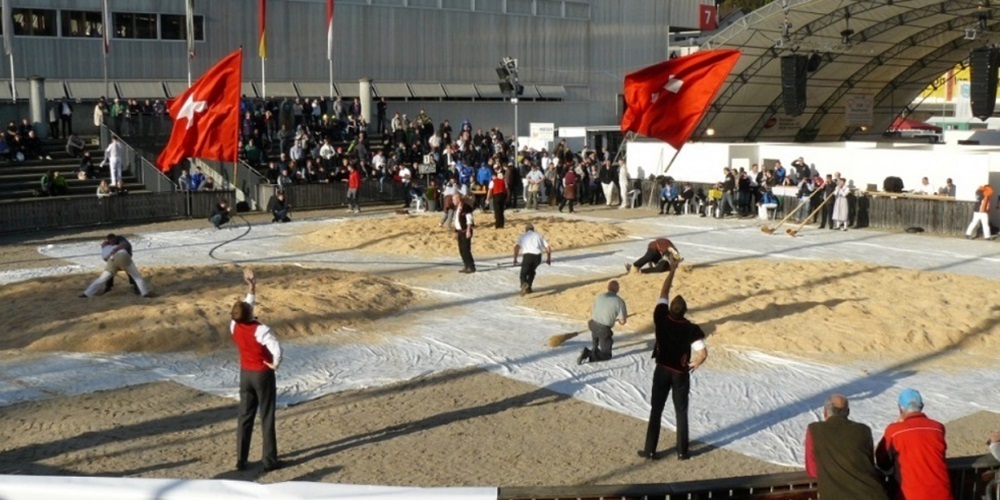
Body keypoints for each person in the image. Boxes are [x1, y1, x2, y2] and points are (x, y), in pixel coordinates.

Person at [639, 253, 707, 460]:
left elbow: (664, 291)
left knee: (656, 410)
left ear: (670, 309)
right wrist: (696, 363)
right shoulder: (690, 328)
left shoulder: (661, 317)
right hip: (680, 373)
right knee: (681, 412)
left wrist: (672, 269)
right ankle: (682, 452)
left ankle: (650, 450)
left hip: (662, 369)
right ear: (685, 311)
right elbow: (702, 352)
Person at [230, 267, 283, 472]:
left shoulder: (235, 326)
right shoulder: (261, 330)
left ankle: (241, 459)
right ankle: (269, 460)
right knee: (267, 415)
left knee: (245, 415)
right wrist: (275, 364)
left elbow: (246, 307)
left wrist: (251, 288)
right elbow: (276, 348)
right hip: (262, 373)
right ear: (249, 314)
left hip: (246, 374)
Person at [804, 394, 889, 500]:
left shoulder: (814, 430)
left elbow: (812, 470)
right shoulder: (864, 430)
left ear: (825, 412)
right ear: (847, 412)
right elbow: (869, 463)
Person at [875, 388, 951, 500]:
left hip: (909, 495)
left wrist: (897, 423)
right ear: (922, 407)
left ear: (900, 408)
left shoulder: (895, 431)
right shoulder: (938, 428)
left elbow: (882, 462)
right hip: (942, 494)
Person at [79, 233, 151, 298]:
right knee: (137, 277)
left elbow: (107, 257)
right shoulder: (109, 245)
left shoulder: (118, 241)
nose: (112, 242)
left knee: (102, 278)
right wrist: (113, 252)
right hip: (121, 257)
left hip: (116, 258)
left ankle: (87, 293)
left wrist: (113, 251)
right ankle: (144, 293)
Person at [578, 280, 628, 365]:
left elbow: (593, 311)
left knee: (596, 333)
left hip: (592, 324)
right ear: (617, 289)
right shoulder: (620, 301)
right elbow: (622, 321)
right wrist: (620, 320)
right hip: (603, 329)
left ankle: (594, 349)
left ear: (608, 288)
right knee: (607, 355)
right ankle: (588, 353)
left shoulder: (599, 296)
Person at [512, 223, 552, 296]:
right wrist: (548, 258)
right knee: (532, 271)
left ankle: (524, 284)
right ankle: (528, 288)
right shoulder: (539, 235)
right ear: (533, 229)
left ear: (526, 230)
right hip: (537, 257)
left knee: (523, 273)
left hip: (527, 256)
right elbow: (548, 247)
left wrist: (515, 259)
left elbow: (516, 247)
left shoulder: (523, 236)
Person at [453, 193, 476, 273]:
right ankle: (466, 265)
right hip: (460, 231)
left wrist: (468, 230)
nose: (453, 201)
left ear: (458, 199)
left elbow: (469, 219)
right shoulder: (457, 208)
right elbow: (456, 220)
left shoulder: (466, 207)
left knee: (466, 249)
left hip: (465, 231)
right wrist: (456, 232)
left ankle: (471, 266)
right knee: (461, 249)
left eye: (454, 199)